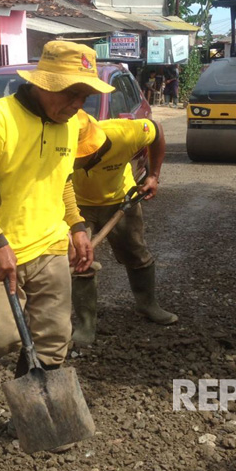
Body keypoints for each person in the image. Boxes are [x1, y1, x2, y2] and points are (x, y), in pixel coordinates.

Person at [0, 41, 109, 392]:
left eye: (85, 96)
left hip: (49, 244)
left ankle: (32, 411)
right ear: (43, 82)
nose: (78, 105)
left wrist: (77, 226)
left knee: (55, 338)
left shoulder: (70, 123)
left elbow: (62, 180)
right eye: (72, 93)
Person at [70, 110, 177, 345]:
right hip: (76, 206)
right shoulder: (59, 145)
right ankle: (86, 324)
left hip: (119, 200)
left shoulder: (124, 134)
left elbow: (156, 129)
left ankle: (147, 305)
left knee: (136, 252)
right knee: (80, 260)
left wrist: (154, 176)